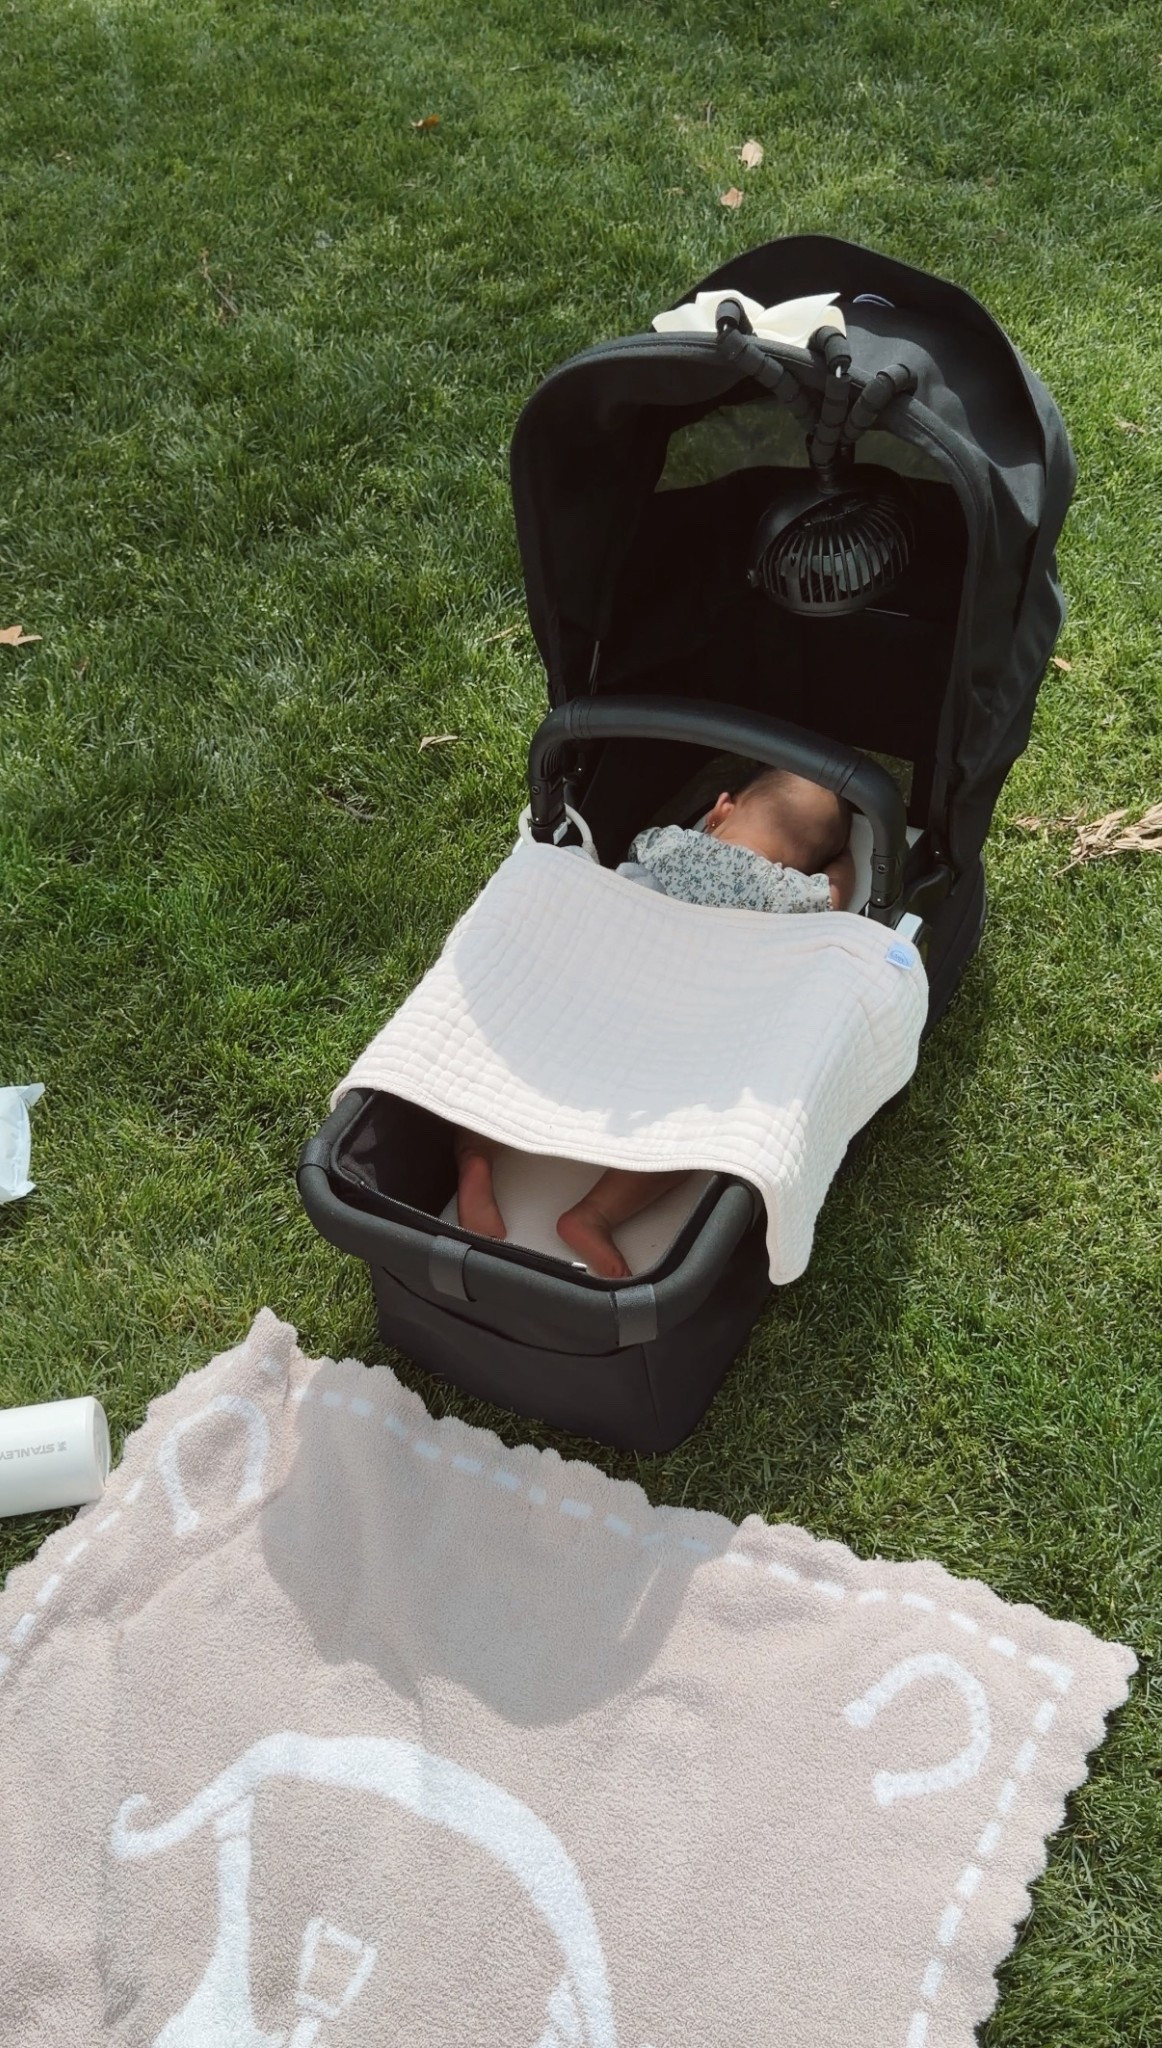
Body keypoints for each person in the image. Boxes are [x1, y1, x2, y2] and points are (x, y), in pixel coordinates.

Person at [454, 768, 856, 1278]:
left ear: (721, 810)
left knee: (514, 1057)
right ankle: (593, 1215)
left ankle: (476, 1157)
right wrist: (842, 860)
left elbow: (625, 865)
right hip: (669, 1039)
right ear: (804, 868)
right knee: (683, 1140)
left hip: (594, 993)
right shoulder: (787, 895)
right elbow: (838, 895)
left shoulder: (668, 843)